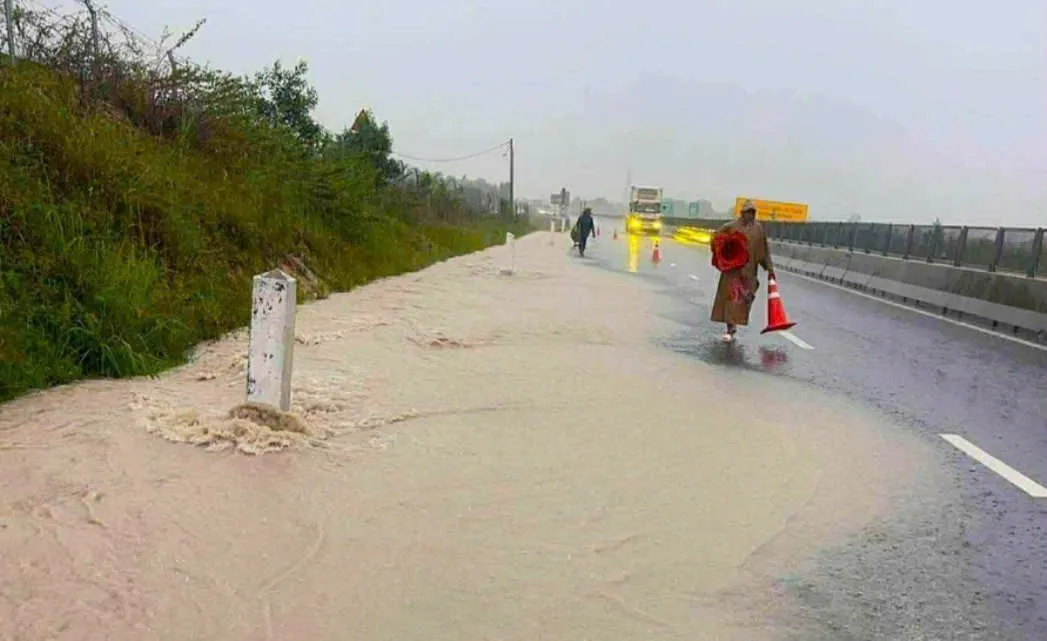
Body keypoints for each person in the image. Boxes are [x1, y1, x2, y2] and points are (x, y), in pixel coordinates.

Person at [710, 200, 775, 342]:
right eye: (747, 212)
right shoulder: (731, 227)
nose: (750, 215)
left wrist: (769, 268)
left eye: (752, 213)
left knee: (744, 300)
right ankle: (730, 327)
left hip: (749, 272)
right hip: (733, 271)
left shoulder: (758, 229)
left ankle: (734, 323)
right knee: (731, 298)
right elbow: (716, 238)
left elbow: (764, 250)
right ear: (742, 213)